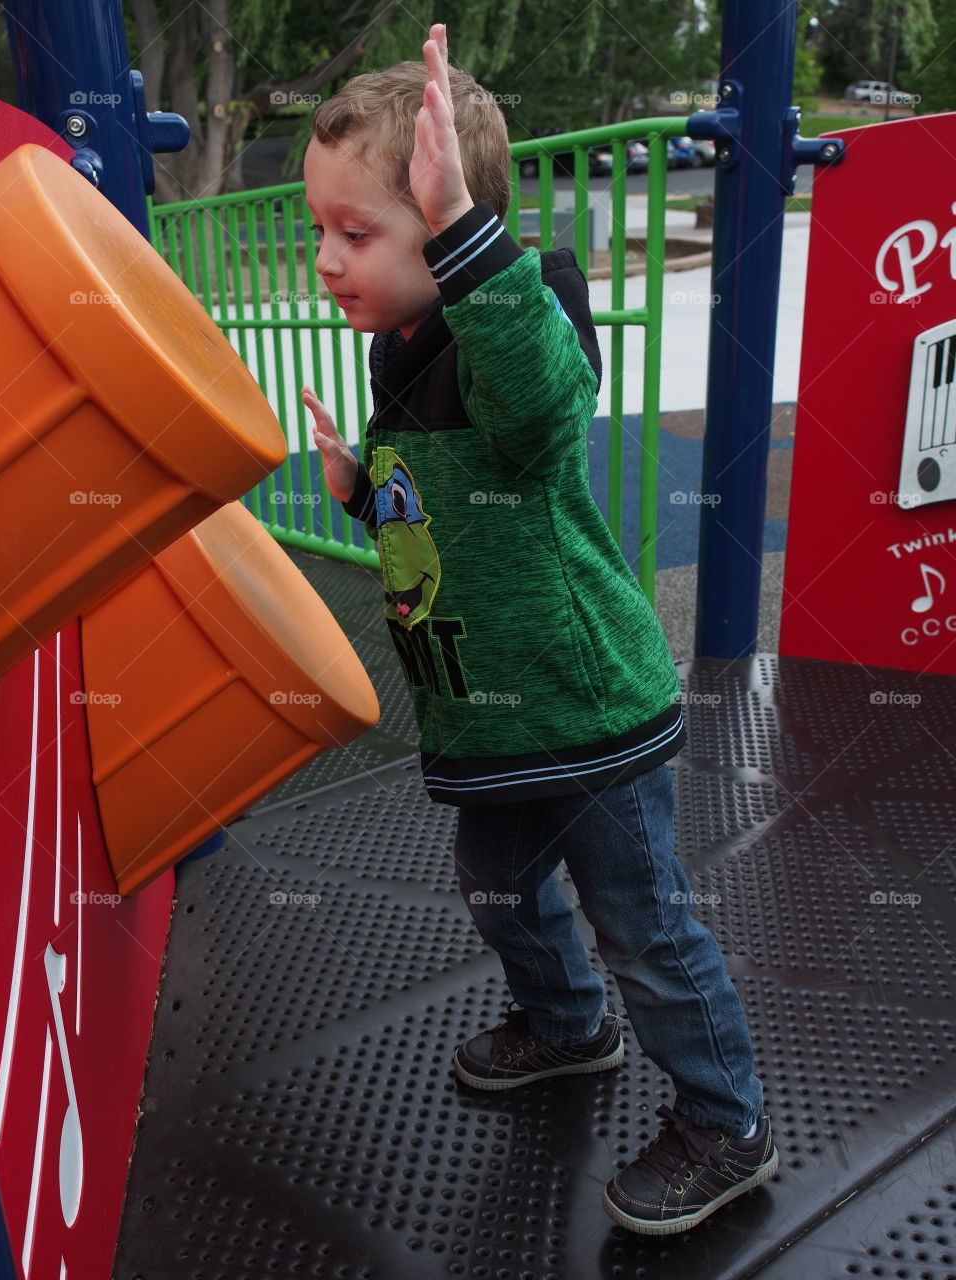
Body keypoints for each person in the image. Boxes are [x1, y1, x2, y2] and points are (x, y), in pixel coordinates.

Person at [300, 22, 778, 1236]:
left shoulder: (511, 329)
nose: (326, 259)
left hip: (582, 706)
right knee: (500, 884)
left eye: (358, 233)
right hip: (491, 714)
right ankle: (569, 1026)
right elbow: (438, 521)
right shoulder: (405, 352)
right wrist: (365, 491)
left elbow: (541, 406)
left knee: (643, 918)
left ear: (455, 237)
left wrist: (468, 236)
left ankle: (727, 1120)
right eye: (322, 231)